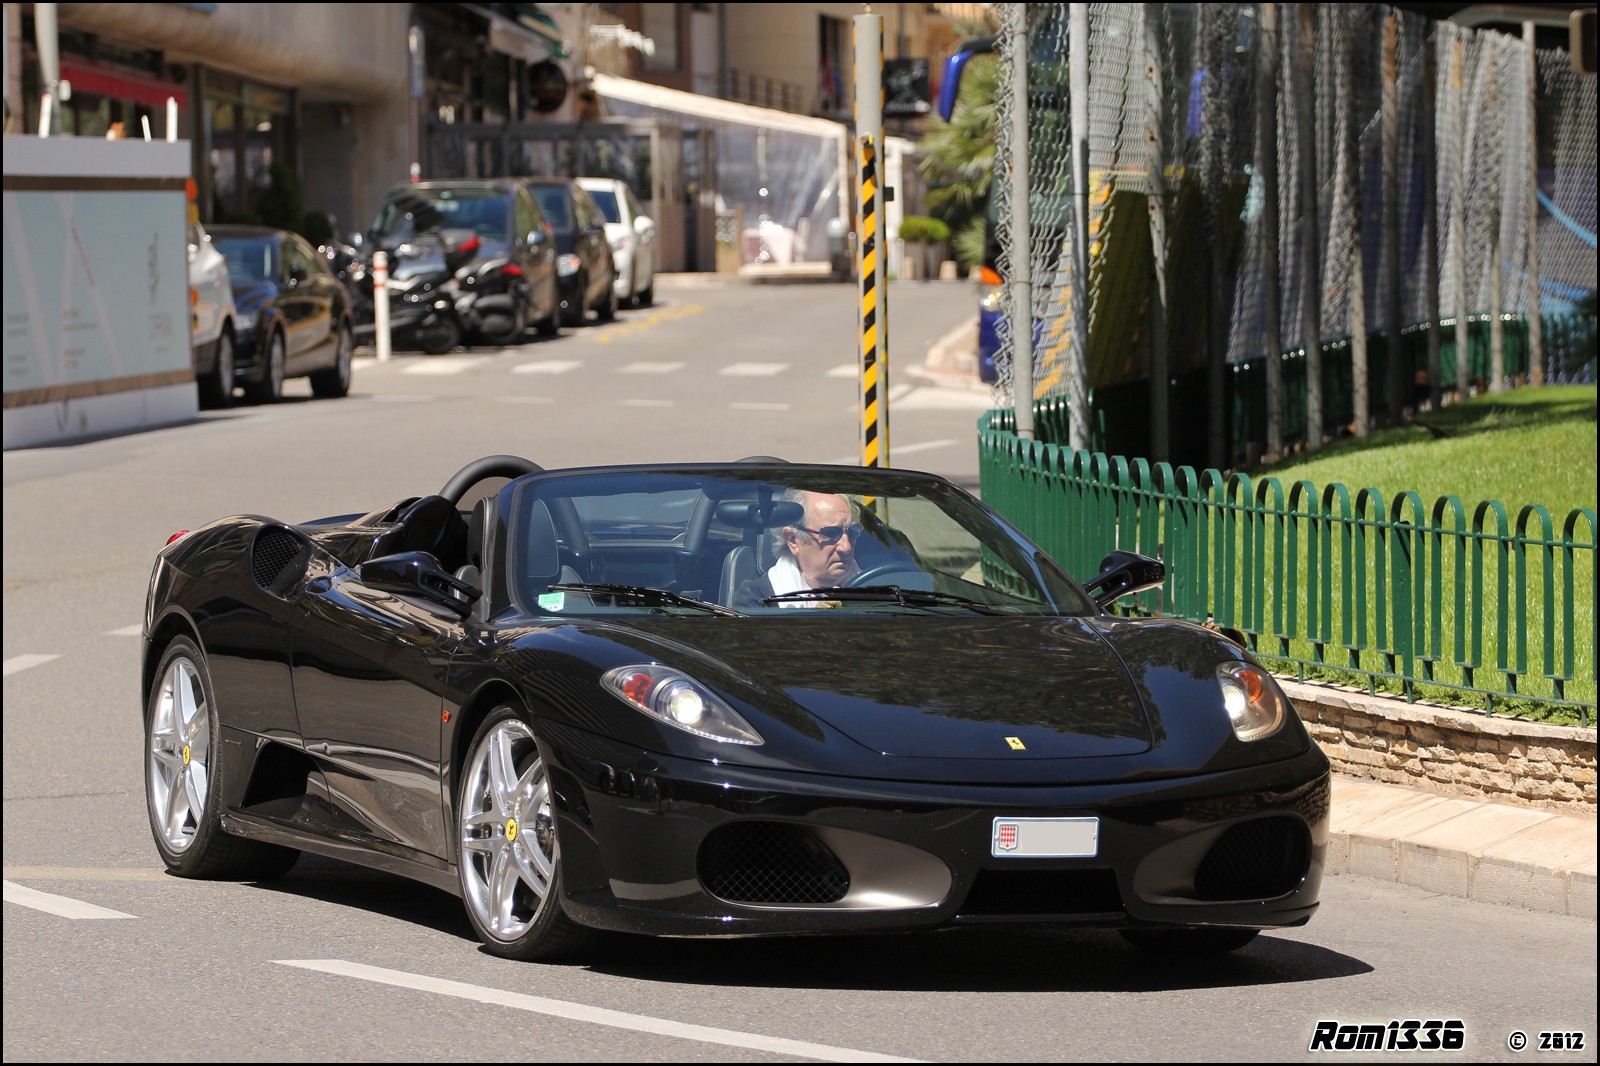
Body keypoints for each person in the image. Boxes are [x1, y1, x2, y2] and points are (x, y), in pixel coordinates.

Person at [732, 490, 861, 610]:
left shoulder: (872, 587)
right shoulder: (757, 601)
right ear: (793, 540)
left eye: (852, 531)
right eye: (830, 533)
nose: (846, 547)